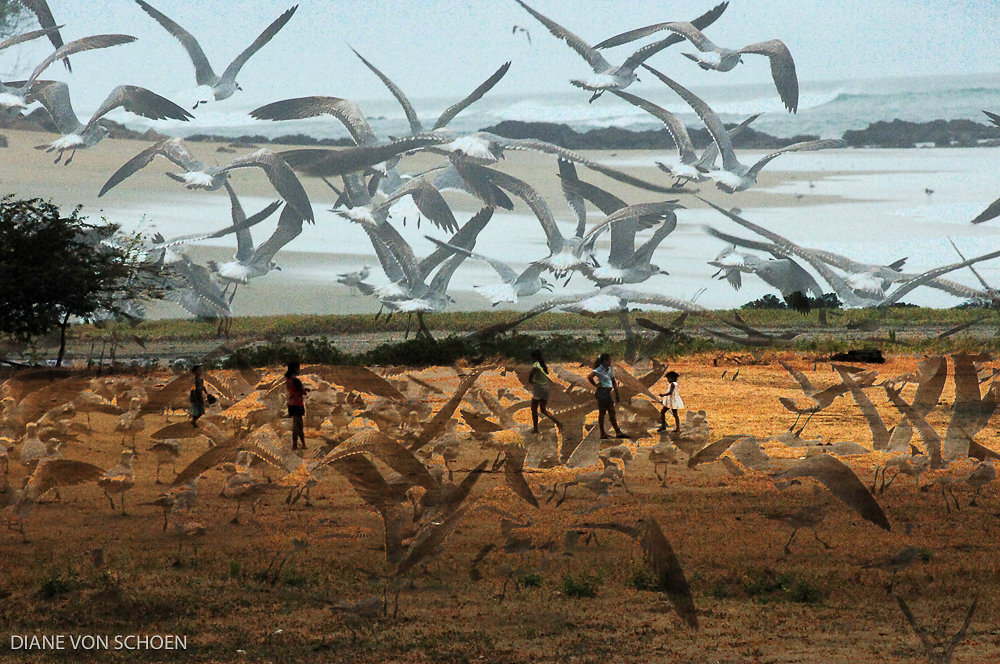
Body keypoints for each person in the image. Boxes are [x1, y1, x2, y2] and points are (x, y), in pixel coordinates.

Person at [588, 353, 626, 439]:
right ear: (605, 361)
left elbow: (613, 381)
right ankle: (604, 433)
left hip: (607, 392)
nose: (611, 361)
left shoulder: (610, 369)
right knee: (603, 413)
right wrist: (596, 385)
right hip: (602, 392)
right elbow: (589, 377)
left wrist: (617, 393)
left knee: (611, 412)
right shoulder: (599, 369)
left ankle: (617, 432)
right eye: (609, 360)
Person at [528, 349, 562, 433]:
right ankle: (558, 423)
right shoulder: (543, 365)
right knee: (543, 410)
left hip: (539, 389)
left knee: (534, 409)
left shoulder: (536, 364)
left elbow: (532, 373)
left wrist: (531, 379)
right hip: (546, 389)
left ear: (535, 357)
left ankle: (536, 429)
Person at [285, 361, 310, 450]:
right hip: (297, 404)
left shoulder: (288, 380)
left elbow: (294, 390)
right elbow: (302, 392)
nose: (299, 370)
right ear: (295, 369)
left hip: (291, 404)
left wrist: (303, 389)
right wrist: (305, 391)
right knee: (299, 425)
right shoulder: (296, 380)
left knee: (296, 424)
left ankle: (297, 444)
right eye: (298, 368)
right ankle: (300, 445)